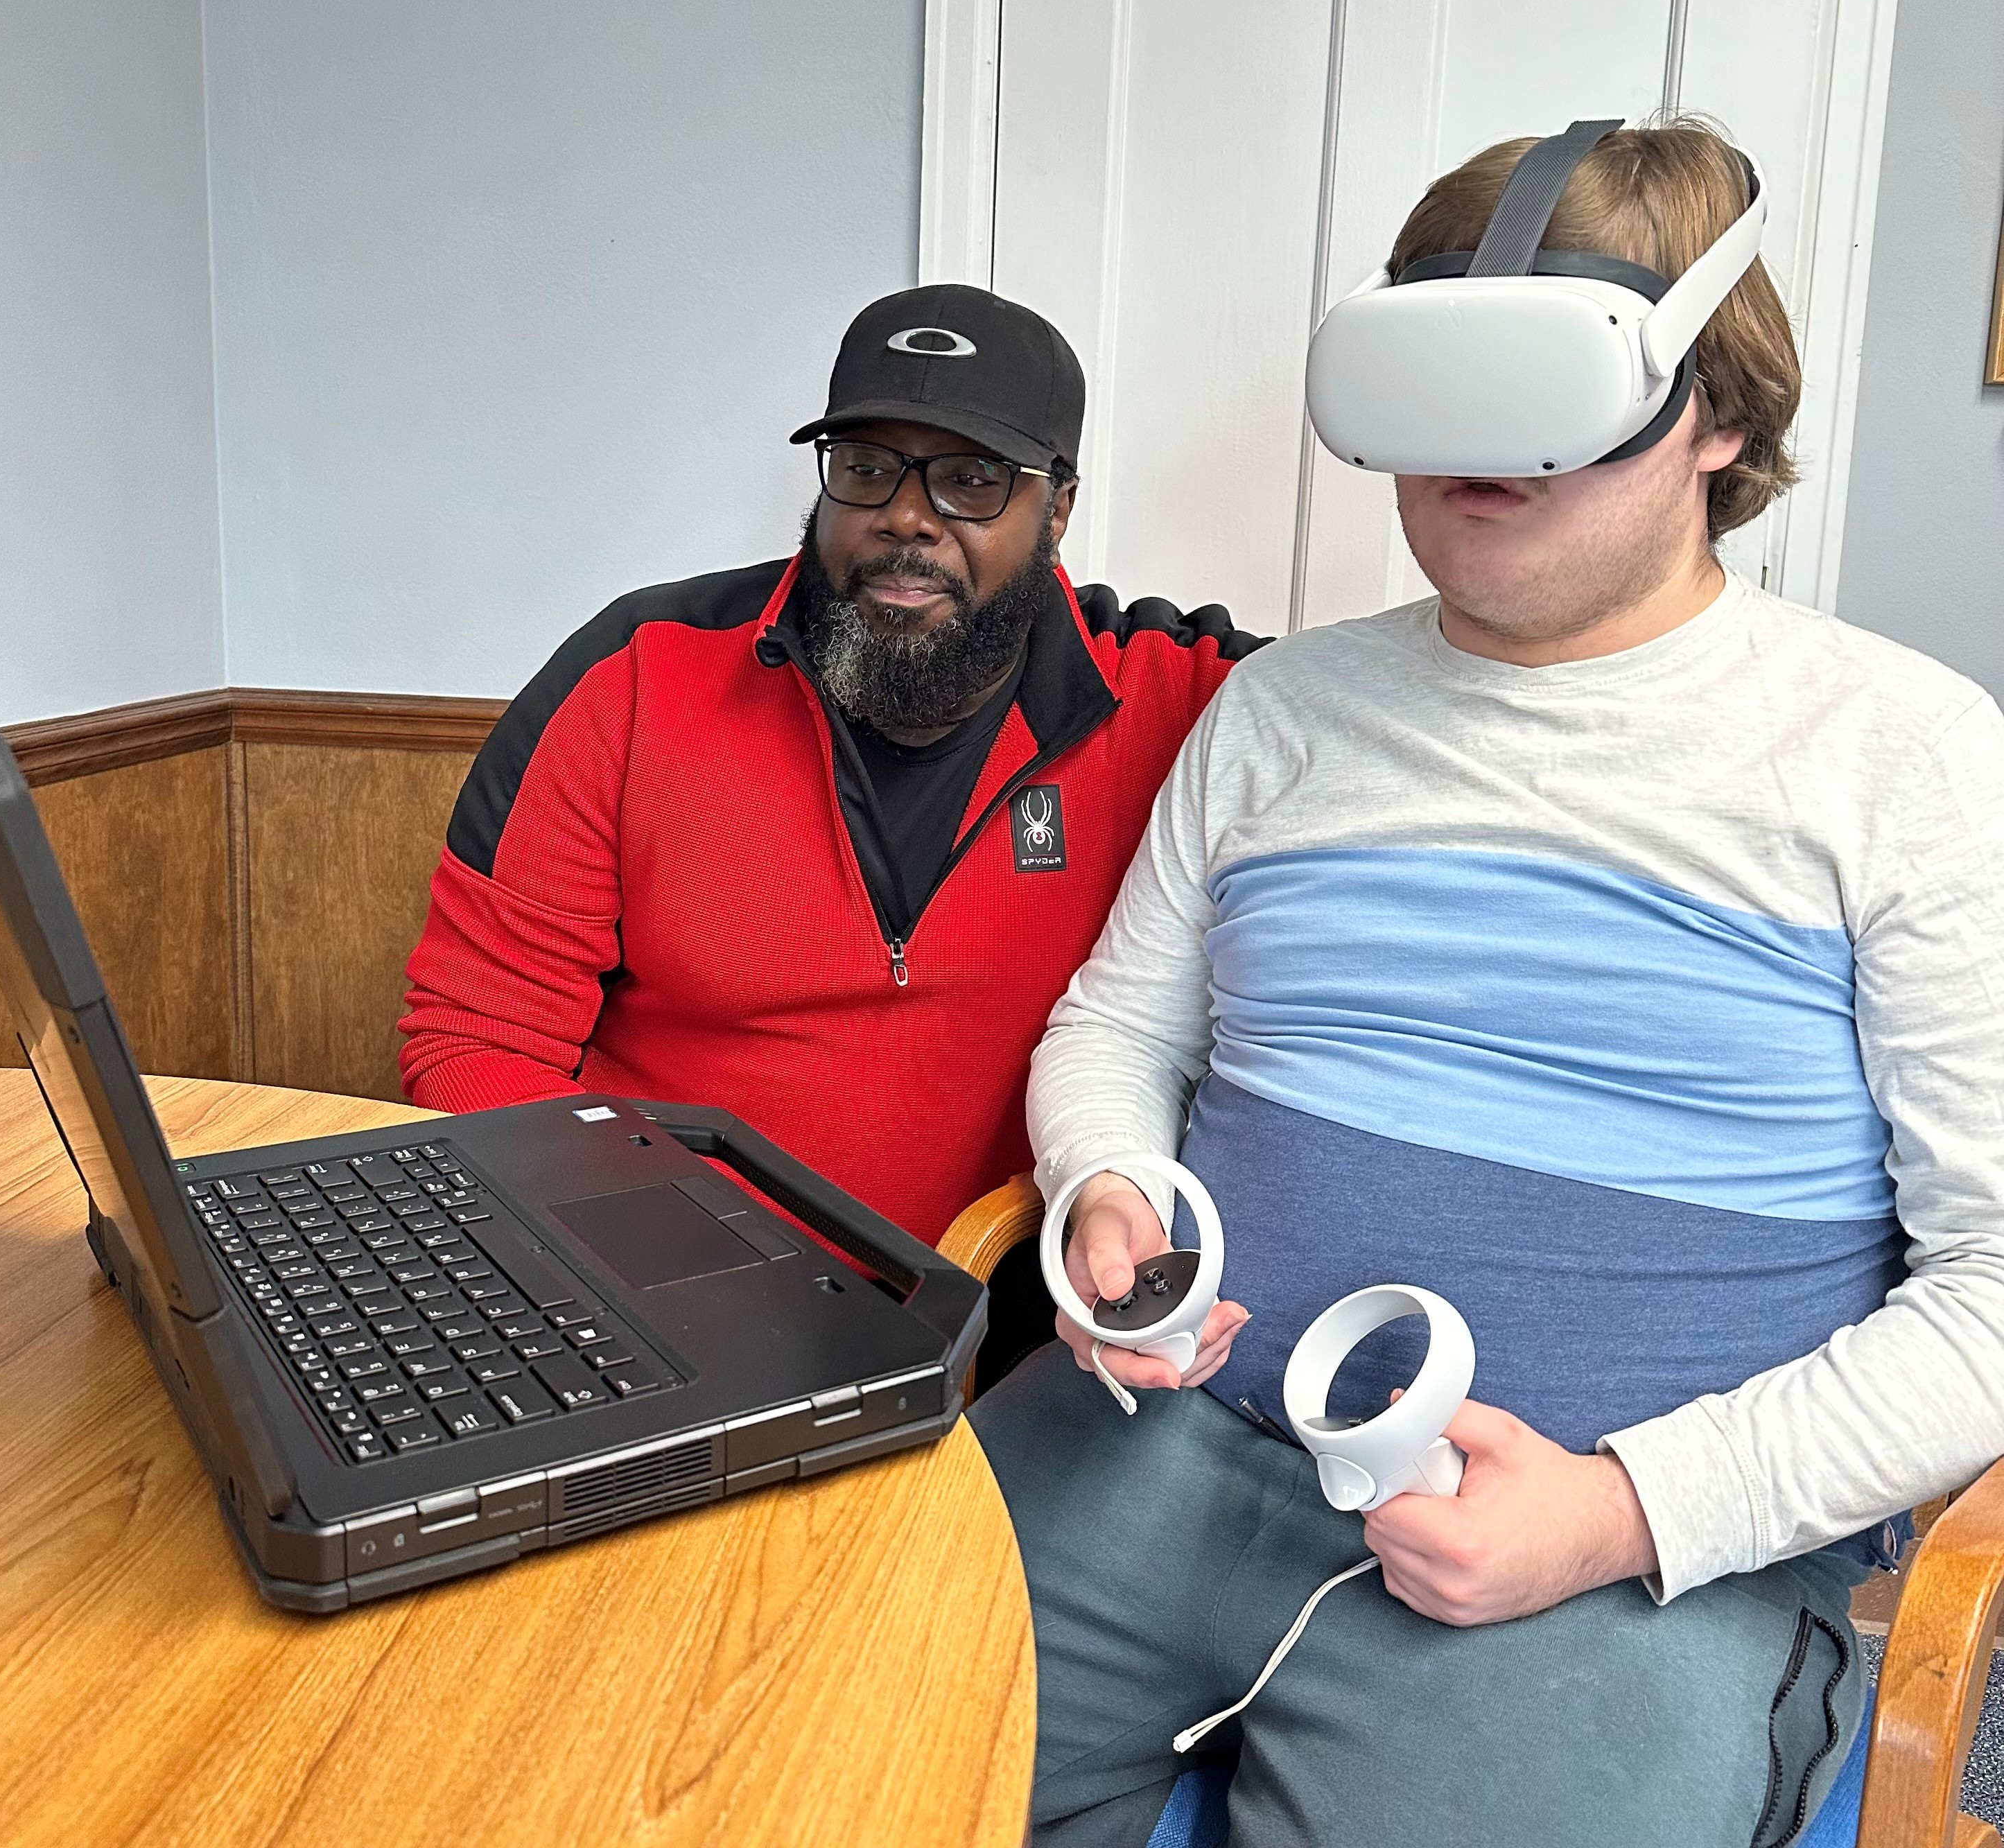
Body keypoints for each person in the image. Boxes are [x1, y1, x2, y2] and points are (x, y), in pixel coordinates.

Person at [970, 121, 2004, 1846]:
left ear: (1722, 420)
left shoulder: (1902, 756)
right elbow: (1121, 1030)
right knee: (789, 1750)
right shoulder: (1286, 711)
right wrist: (1104, 1191)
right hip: (1165, 1446)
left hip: (1616, 1565)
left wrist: (1621, 1516)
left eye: (1553, 386)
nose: (1479, 454)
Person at [398, 283, 1260, 1244]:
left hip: (993, 1313)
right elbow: (475, 1040)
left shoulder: (1183, 696)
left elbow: (1398, 685)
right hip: (644, 1271)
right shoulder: (636, 674)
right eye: (866, 467)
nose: (907, 518)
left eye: (972, 479)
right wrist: (649, 1245)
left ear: (1056, 510)